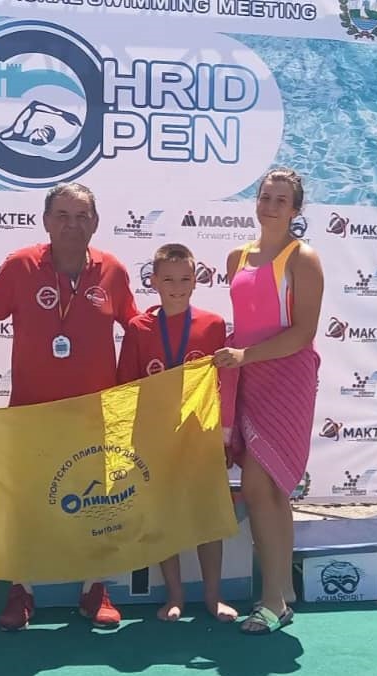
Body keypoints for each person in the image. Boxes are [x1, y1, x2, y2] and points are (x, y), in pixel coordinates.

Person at [0, 182, 138, 630]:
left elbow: (137, 328)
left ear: (95, 222)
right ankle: (22, 590)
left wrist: (184, 349)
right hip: (31, 414)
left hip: (92, 415)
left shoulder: (112, 270)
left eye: (82, 216)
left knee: (95, 504)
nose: (72, 225)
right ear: (45, 221)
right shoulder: (21, 266)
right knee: (27, 505)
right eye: (62, 215)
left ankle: (94, 588)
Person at [213, 168, 323, 635]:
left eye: (281, 200)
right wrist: (237, 361)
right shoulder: (236, 256)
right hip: (247, 378)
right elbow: (245, 324)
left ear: (295, 210)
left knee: (264, 487)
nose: (270, 206)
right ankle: (284, 591)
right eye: (264, 197)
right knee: (268, 490)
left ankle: (273, 600)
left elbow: (303, 332)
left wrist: (246, 356)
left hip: (287, 379)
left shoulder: (304, 258)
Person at [116, 243, 238, 623]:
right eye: (168, 280)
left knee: (207, 516)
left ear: (196, 280)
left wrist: (225, 436)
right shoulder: (138, 328)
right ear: (153, 281)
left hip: (200, 437)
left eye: (185, 279)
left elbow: (224, 385)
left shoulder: (213, 324)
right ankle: (175, 596)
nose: (177, 287)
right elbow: (125, 387)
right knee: (164, 517)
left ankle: (213, 596)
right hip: (154, 439)